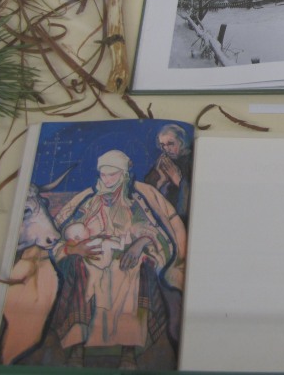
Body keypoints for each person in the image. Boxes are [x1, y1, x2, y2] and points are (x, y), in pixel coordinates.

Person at [50, 149, 187, 370]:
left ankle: (128, 352)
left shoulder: (136, 202)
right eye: (103, 175)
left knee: (135, 270)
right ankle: (77, 348)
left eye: (112, 175)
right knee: (84, 271)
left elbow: (157, 234)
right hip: (91, 259)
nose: (106, 180)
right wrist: (75, 249)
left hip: (127, 262)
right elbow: (58, 236)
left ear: (123, 175)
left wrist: (140, 244)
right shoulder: (87, 202)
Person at [144, 123, 193, 223]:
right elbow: (145, 195)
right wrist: (161, 181)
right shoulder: (163, 160)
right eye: (163, 145)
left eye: (170, 144)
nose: (166, 149)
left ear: (181, 142)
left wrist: (178, 181)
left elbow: (189, 206)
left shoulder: (191, 161)